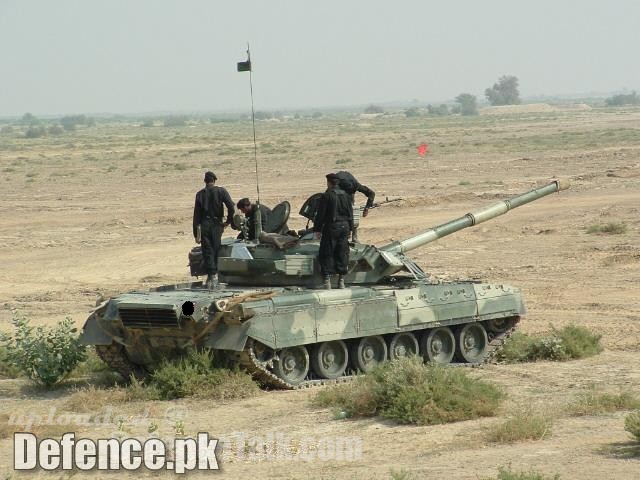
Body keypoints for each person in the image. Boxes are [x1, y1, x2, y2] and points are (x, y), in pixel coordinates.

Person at [193, 171, 235, 288]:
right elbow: (231, 207)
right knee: (216, 249)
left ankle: (211, 275)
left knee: (207, 250)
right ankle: (215, 275)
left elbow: (196, 215)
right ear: (214, 180)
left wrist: (196, 233)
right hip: (217, 224)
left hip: (204, 224)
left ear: (205, 181)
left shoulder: (200, 194)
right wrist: (228, 221)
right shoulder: (221, 191)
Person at [314, 173, 353, 290]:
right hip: (345, 226)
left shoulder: (327, 195)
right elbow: (350, 213)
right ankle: (341, 281)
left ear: (329, 183)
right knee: (342, 252)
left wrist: (317, 229)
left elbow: (321, 215)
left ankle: (327, 281)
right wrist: (350, 228)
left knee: (327, 252)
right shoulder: (347, 195)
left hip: (332, 227)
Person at [335, 171, 375, 242]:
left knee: (352, 211)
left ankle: (354, 235)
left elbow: (371, 193)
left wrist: (367, 208)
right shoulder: (335, 188)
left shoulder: (355, 185)